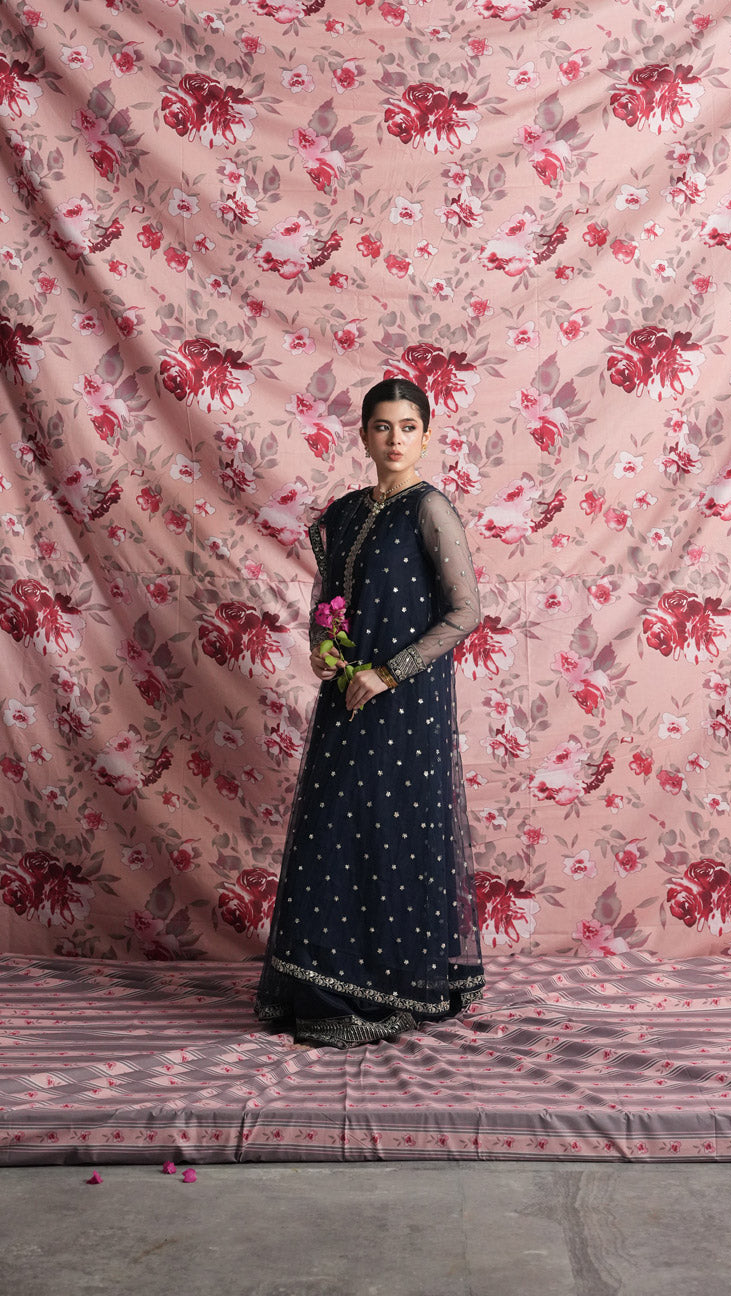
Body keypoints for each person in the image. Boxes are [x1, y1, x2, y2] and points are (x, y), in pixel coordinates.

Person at [254, 377, 485, 1047]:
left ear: (426, 436)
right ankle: (323, 987)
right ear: (363, 434)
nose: (394, 439)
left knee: (392, 832)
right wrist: (323, 650)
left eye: (408, 428)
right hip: (345, 697)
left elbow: (465, 612)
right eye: (382, 427)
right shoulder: (345, 513)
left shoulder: (429, 509)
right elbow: (328, 603)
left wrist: (388, 674)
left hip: (405, 704)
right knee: (334, 831)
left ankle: (389, 987)